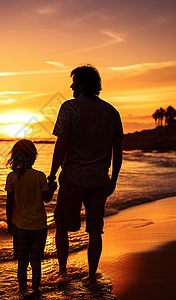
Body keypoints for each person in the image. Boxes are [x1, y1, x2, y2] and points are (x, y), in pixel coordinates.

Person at [48, 64, 123, 281]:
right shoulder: (111, 111)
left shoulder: (69, 108)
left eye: (74, 82)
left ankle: (63, 273)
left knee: (61, 226)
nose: (71, 86)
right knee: (95, 230)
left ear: (80, 84)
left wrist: (52, 174)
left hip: (73, 178)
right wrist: (114, 179)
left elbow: (61, 145)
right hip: (100, 180)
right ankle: (91, 275)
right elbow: (117, 151)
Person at [5, 139, 57, 292]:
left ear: (15, 156)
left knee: (22, 262)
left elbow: (9, 204)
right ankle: (35, 290)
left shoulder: (11, 177)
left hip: (20, 227)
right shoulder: (39, 176)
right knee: (36, 262)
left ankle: (22, 290)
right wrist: (52, 187)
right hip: (39, 227)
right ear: (34, 156)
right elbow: (46, 198)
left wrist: (9, 223)